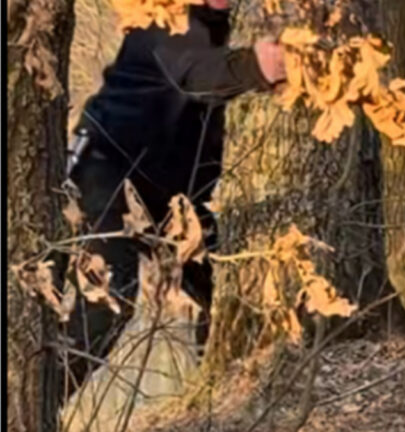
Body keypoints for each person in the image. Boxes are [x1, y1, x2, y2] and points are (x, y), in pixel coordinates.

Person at [62, 0, 286, 395]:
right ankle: (31, 407)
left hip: (167, 195)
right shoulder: (164, 19)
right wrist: (256, 67)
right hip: (107, 171)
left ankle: (221, 396)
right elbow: (193, 74)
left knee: (226, 283)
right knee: (107, 303)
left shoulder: (212, 23)